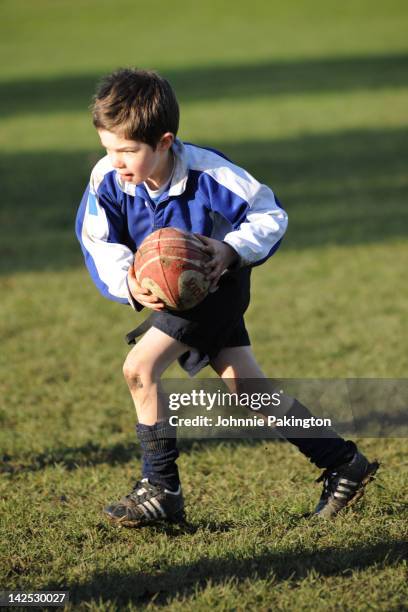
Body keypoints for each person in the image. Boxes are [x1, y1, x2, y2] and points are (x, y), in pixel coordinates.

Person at [75, 68, 379, 526]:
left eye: (127, 151)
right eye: (108, 149)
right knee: (247, 388)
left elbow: (269, 214)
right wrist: (128, 282)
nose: (116, 161)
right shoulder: (108, 179)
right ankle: (342, 462)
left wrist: (230, 248)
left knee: (140, 368)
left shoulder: (211, 173)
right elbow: (98, 239)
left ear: (164, 142)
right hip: (168, 297)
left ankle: (161, 487)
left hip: (218, 285)